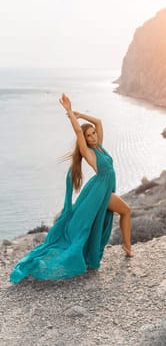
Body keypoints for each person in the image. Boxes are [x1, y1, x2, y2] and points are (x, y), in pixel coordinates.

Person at [9, 93, 133, 284]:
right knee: (125, 211)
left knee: (113, 217)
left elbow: (98, 122)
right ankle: (128, 248)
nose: (92, 136)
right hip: (100, 193)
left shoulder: (100, 146)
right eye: (89, 135)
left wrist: (81, 115)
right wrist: (69, 112)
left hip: (102, 190)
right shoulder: (89, 152)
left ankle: (126, 247)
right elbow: (77, 132)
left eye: (93, 134)